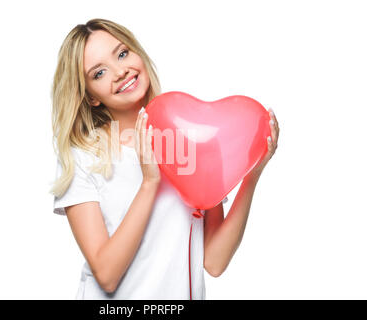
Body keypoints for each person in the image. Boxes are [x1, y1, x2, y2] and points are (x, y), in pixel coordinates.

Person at [49, 18, 280, 300]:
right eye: (99, 73)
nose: (120, 71)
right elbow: (107, 276)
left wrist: (251, 173)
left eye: (122, 53)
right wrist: (150, 182)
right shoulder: (83, 155)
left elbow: (214, 261)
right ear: (91, 97)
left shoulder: (191, 138)